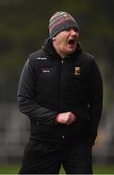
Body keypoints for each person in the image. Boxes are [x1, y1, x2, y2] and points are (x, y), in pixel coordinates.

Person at [17, 11, 103, 174]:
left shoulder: (88, 63)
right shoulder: (34, 61)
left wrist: (89, 139)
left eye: (76, 30)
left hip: (78, 144)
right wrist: (55, 117)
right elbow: (24, 102)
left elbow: (96, 104)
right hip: (42, 143)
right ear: (54, 36)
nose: (74, 33)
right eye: (67, 29)